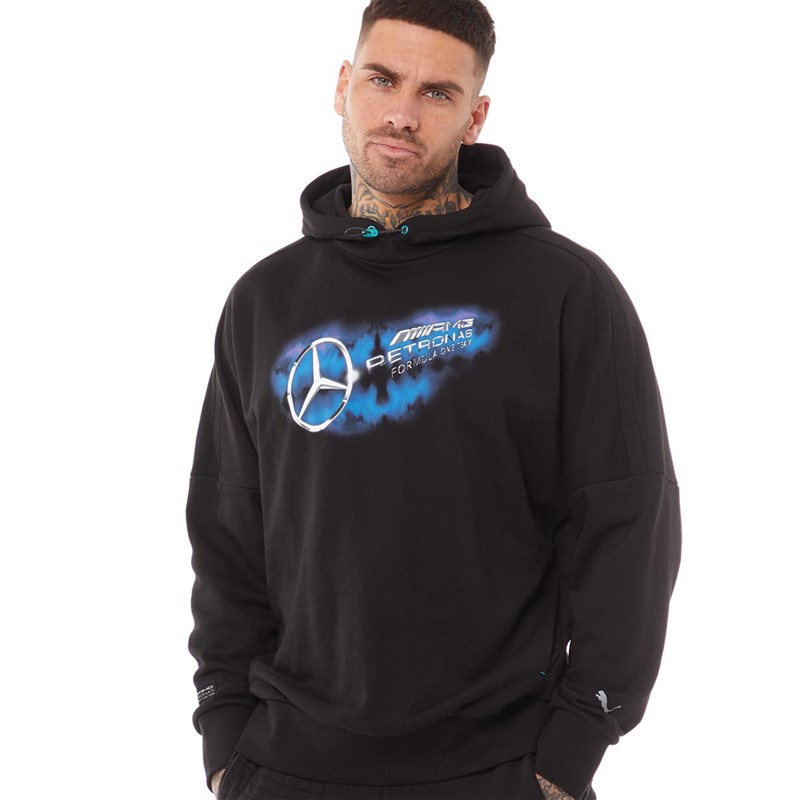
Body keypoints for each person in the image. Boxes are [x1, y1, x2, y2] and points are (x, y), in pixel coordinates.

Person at [185, 1, 682, 798]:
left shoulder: (564, 291)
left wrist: (574, 747)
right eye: (382, 80)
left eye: (437, 93)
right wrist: (224, 726)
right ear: (343, 85)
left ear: (475, 117)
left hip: (500, 767)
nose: (402, 114)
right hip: (287, 762)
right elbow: (227, 527)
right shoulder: (264, 300)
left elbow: (627, 521)